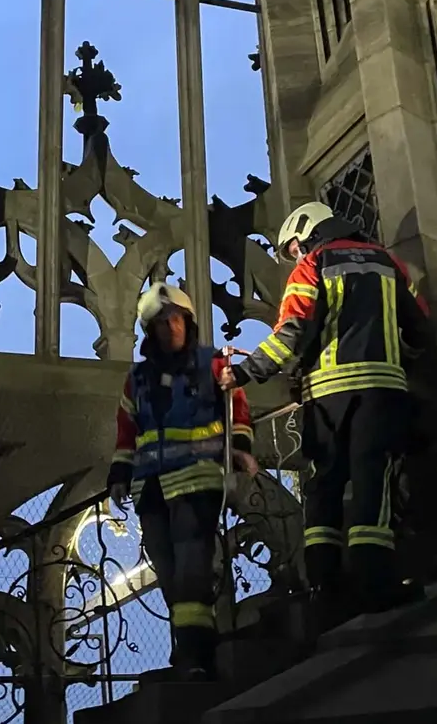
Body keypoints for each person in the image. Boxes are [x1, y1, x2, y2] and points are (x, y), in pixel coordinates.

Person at [218, 202, 433, 615]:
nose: (294, 255)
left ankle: (324, 586)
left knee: (324, 488)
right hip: (380, 391)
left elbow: (291, 333)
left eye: (294, 247)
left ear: (308, 232)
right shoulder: (386, 262)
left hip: (327, 398)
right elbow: (419, 324)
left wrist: (244, 373)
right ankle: (375, 581)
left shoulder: (313, 265)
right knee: (373, 481)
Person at [107, 282, 258, 680]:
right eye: (161, 323)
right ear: (150, 331)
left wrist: (240, 450)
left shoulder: (213, 365)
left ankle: (196, 655)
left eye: (176, 319)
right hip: (151, 487)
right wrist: (120, 472)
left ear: (187, 323)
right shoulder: (137, 378)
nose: (170, 328)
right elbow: (127, 430)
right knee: (169, 572)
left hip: (196, 481)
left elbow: (237, 412)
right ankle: (187, 646)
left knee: (192, 566)